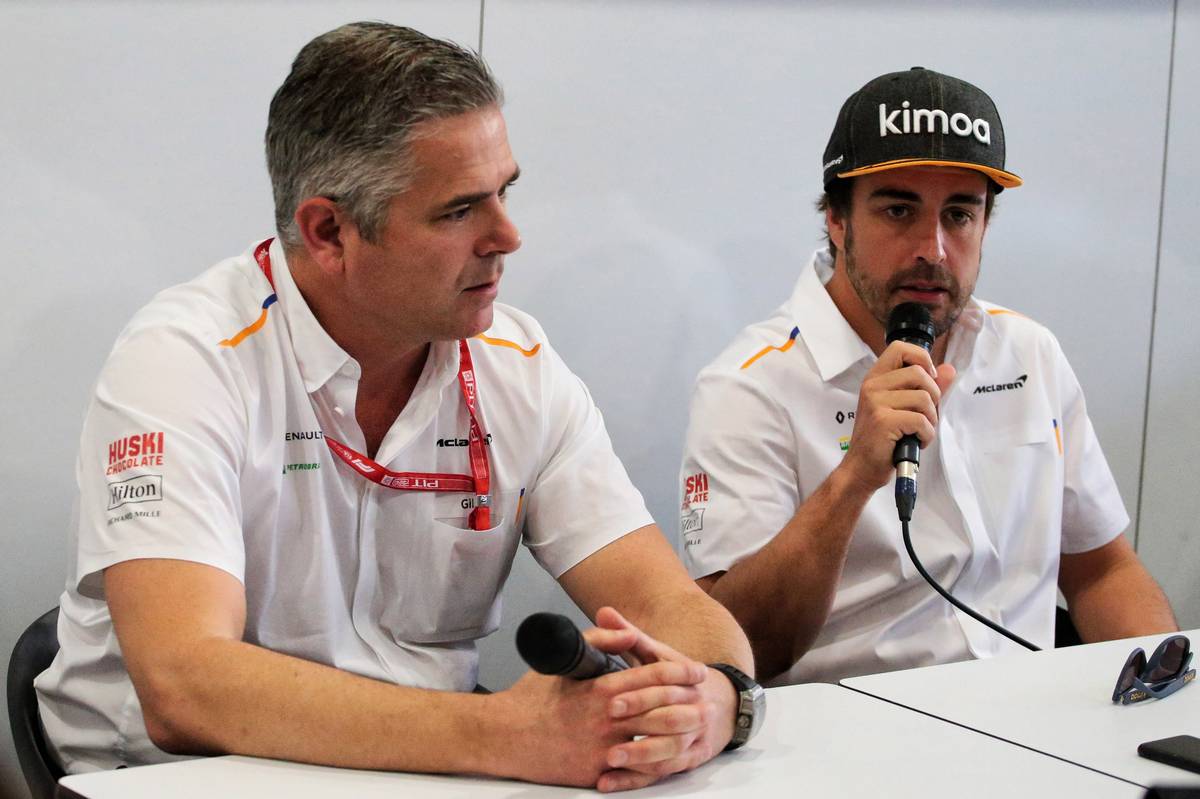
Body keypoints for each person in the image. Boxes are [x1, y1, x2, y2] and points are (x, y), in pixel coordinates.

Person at [35, 22, 758, 792]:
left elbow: (663, 599)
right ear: (328, 231)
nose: (508, 236)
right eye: (458, 211)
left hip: (424, 765)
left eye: (506, 191)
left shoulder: (519, 366)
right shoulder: (182, 360)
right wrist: (508, 732)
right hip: (175, 776)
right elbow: (185, 685)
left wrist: (716, 696)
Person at [678, 67, 1177, 685]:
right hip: (848, 743)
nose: (933, 250)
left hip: (1035, 729)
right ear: (837, 218)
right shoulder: (749, 386)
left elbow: (1101, 571)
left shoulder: (1027, 351)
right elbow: (736, 645)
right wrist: (856, 476)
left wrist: (1171, 694)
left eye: (960, 215)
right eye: (898, 209)